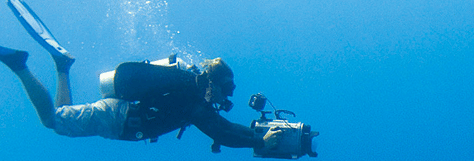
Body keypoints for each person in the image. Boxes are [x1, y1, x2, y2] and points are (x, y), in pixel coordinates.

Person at [0, 0, 282, 150]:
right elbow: (221, 131)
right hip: (117, 117)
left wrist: (256, 135)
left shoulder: (192, 93)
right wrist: (259, 140)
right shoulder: (193, 98)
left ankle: (62, 66)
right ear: (215, 82)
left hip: (119, 118)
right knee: (51, 121)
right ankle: (19, 65)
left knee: (62, 119)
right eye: (228, 87)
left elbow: (223, 127)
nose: (228, 95)